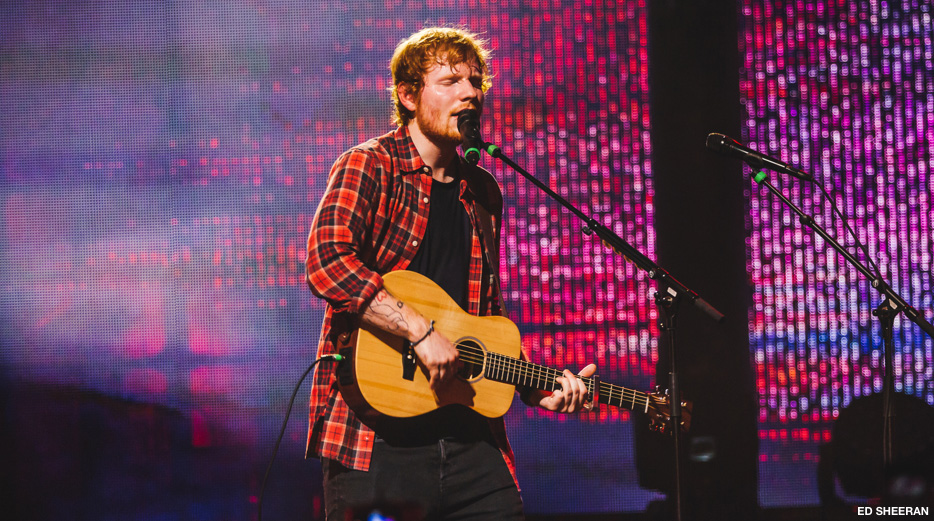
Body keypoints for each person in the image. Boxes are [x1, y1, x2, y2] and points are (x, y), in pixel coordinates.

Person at [305, 27, 596, 520]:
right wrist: (419, 331)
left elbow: (482, 316)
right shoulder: (369, 165)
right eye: (451, 81)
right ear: (408, 96)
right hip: (376, 438)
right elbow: (328, 261)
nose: (470, 93)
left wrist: (537, 385)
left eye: (475, 82)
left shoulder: (482, 191)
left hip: (469, 441)